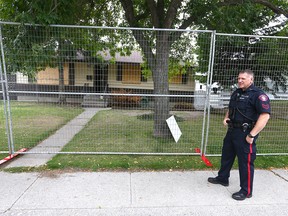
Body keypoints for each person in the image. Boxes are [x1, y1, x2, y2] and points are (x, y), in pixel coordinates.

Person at [208, 69, 271, 201]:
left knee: (245, 163)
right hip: (232, 131)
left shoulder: (258, 95)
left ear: (251, 80)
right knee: (226, 156)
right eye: (238, 78)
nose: (240, 81)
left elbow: (265, 116)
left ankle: (246, 191)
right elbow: (231, 108)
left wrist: (252, 135)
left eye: (243, 78)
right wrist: (226, 118)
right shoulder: (236, 93)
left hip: (246, 133)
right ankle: (223, 178)